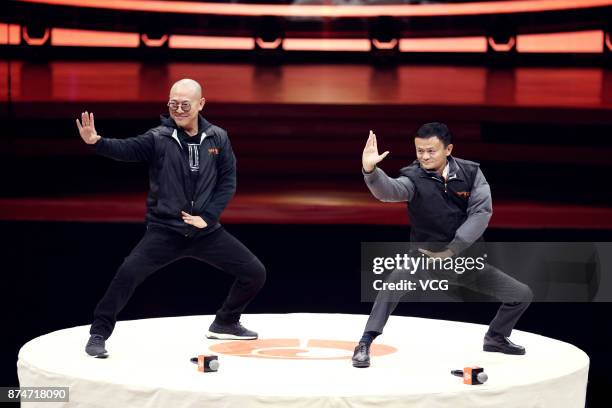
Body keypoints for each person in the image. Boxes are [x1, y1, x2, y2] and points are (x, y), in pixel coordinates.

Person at [76, 78, 266, 358]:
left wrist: (209, 217)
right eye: (173, 104)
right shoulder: (159, 138)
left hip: (204, 231)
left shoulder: (218, 138)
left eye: (184, 104)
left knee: (255, 273)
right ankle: (98, 334)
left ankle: (226, 321)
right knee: (126, 274)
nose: (178, 109)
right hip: (165, 230)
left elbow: (228, 182)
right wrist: (97, 142)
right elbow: (127, 149)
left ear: (201, 104)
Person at [352, 122, 533, 368]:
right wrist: (370, 170)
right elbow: (389, 191)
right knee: (390, 286)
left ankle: (496, 338)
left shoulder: (471, 173)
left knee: (521, 295)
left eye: (431, 151)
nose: (424, 156)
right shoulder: (412, 178)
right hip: (424, 260)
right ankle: (364, 342)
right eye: (419, 151)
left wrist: (453, 249)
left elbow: (481, 213)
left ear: (448, 149)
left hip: (466, 261)